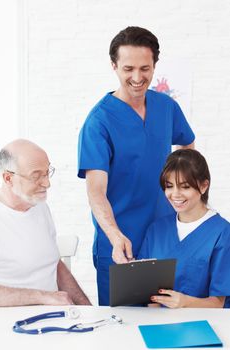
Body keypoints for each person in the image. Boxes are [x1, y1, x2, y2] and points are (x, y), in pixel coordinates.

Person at [78, 26, 195, 305]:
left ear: (154, 65)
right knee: (122, 326)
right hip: (121, 245)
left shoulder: (166, 107)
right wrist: (115, 235)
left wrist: (184, 195)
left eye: (145, 68)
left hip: (166, 236)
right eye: (128, 68)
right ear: (114, 66)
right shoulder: (99, 122)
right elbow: (96, 192)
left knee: (168, 320)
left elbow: (187, 148)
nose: (137, 77)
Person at [0, 139, 91, 307]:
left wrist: (87, 308)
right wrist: (44, 297)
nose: (47, 183)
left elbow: (54, 264)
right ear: (8, 178)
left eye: (47, 172)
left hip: (51, 316)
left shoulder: (39, 206)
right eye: (36, 176)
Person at [138, 149, 230, 308]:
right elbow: (147, 296)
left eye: (184, 187)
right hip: (156, 326)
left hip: (203, 326)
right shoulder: (156, 230)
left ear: (203, 186)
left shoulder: (222, 232)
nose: (175, 194)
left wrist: (185, 302)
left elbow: (218, 303)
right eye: (169, 186)